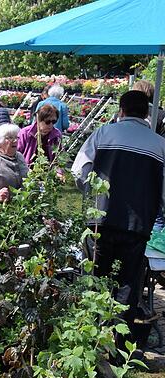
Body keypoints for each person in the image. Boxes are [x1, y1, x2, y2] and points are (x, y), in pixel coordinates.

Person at [71, 90, 165, 349]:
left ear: (120, 111)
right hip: (138, 224)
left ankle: (89, 340)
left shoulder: (103, 133)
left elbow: (79, 169)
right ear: (147, 114)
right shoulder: (160, 145)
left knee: (95, 277)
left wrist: (92, 191)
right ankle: (120, 346)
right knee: (128, 284)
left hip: (101, 219)